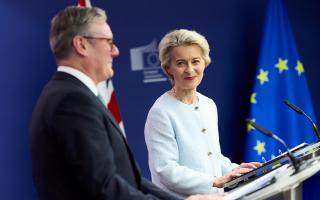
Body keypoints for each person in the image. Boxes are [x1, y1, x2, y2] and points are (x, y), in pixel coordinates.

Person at [29, 6, 228, 200]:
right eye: (108, 41)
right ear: (81, 45)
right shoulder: (71, 100)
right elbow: (104, 187)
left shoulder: (71, 94)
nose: (115, 51)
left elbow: (133, 181)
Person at [144, 29, 261, 198]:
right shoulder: (160, 112)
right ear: (169, 68)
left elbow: (212, 158)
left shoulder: (208, 104)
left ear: (205, 63)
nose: (190, 70)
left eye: (195, 61)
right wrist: (214, 181)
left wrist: (234, 170)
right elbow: (166, 170)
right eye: (181, 63)